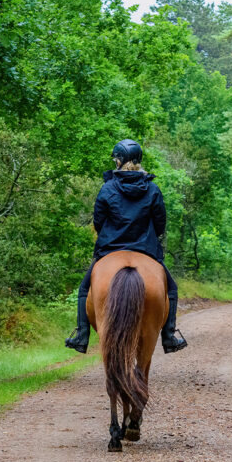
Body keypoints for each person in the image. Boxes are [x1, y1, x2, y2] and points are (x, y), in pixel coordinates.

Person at [65, 139, 188, 354]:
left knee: (85, 289)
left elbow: (99, 223)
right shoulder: (152, 189)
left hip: (111, 249)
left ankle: (81, 335)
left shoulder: (107, 188)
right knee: (172, 289)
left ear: (119, 161)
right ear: (139, 161)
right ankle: (169, 335)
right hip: (146, 249)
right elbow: (160, 224)